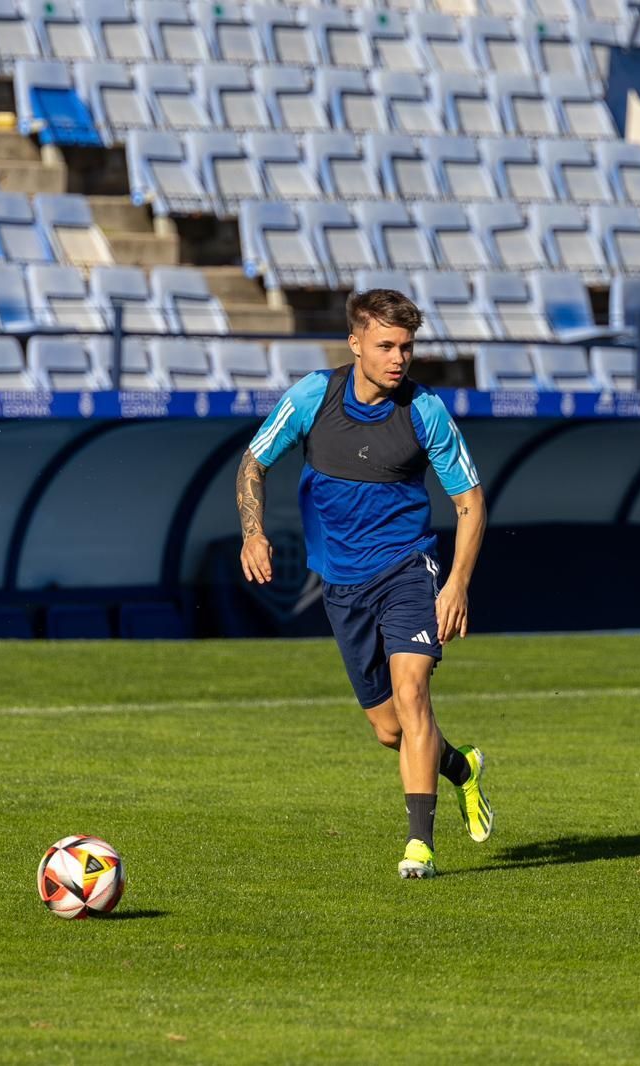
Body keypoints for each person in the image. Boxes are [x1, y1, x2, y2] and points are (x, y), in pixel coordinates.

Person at [236, 288, 493, 880]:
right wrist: (253, 532)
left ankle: (419, 846)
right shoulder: (313, 396)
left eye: (406, 346)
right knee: (388, 730)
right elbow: (253, 461)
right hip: (342, 584)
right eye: (385, 346)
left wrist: (455, 585)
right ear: (355, 344)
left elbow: (471, 503)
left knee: (412, 694)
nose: (399, 357)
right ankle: (462, 769)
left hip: (408, 570)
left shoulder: (424, 411)